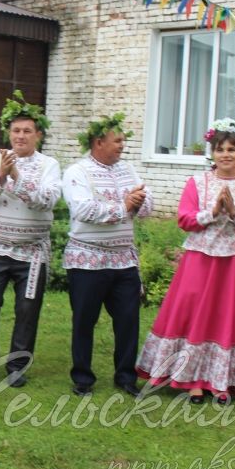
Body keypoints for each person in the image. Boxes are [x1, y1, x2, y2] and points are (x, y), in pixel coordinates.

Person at [136, 120, 235, 403]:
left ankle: (221, 381)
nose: (226, 155)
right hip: (201, 258)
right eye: (220, 149)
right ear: (212, 153)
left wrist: (234, 212)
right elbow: (185, 219)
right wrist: (213, 210)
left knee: (228, 315)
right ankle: (193, 380)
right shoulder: (198, 182)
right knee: (195, 313)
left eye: (232, 149)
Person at [0, 92, 60, 387]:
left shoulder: (49, 165)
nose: (20, 136)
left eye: (27, 131)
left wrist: (17, 177)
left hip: (32, 253)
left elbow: (46, 200)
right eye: (16, 131)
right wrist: (0, 175)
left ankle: (17, 366)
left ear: (38, 135)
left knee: (27, 308)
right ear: (8, 133)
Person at [62, 113, 152, 397]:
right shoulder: (77, 172)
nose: (122, 145)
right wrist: (124, 205)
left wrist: (138, 203)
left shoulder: (128, 170)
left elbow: (148, 204)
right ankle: (83, 378)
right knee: (84, 320)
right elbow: (83, 210)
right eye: (118, 140)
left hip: (124, 260)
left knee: (128, 320)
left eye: (123, 140)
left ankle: (126, 377)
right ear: (99, 142)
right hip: (87, 260)